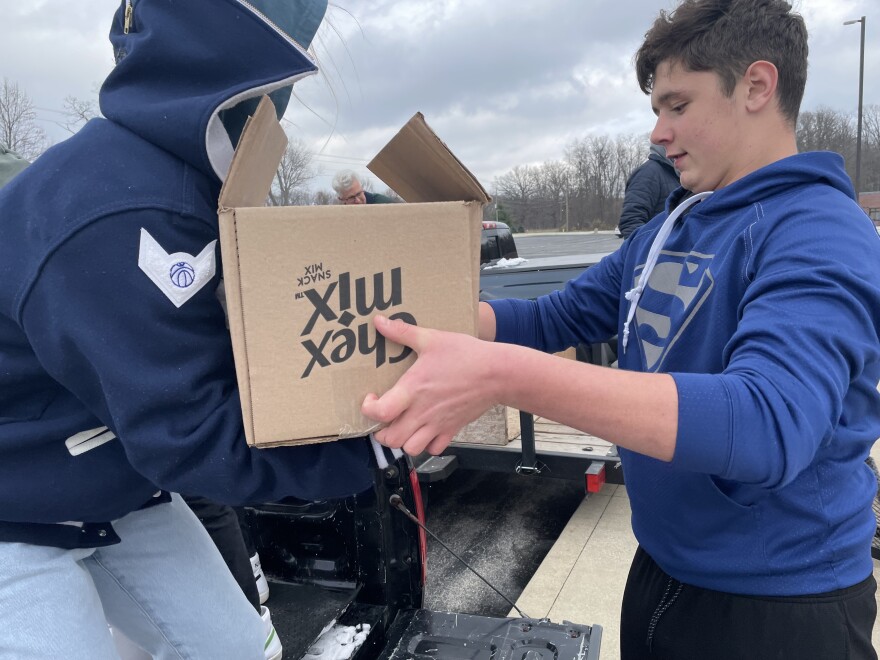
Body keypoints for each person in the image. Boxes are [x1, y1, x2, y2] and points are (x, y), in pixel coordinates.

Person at [362, 1, 880, 658]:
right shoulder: (673, 226)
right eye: (655, 110)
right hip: (661, 572)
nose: (658, 133)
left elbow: (769, 422)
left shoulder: (819, 229)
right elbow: (554, 317)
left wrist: (499, 375)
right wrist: (419, 324)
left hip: (778, 609)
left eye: (677, 105)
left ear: (756, 85)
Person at [0, 2, 373, 658]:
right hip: (13, 499)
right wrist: (368, 448)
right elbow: (190, 432)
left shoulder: (194, 184)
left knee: (242, 648)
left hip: (115, 481)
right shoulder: (117, 210)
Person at [617, 143, 680, 239]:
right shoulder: (648, 173)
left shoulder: (680, 175)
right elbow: (631, 220)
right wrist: (647, 250)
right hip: (657, 251)